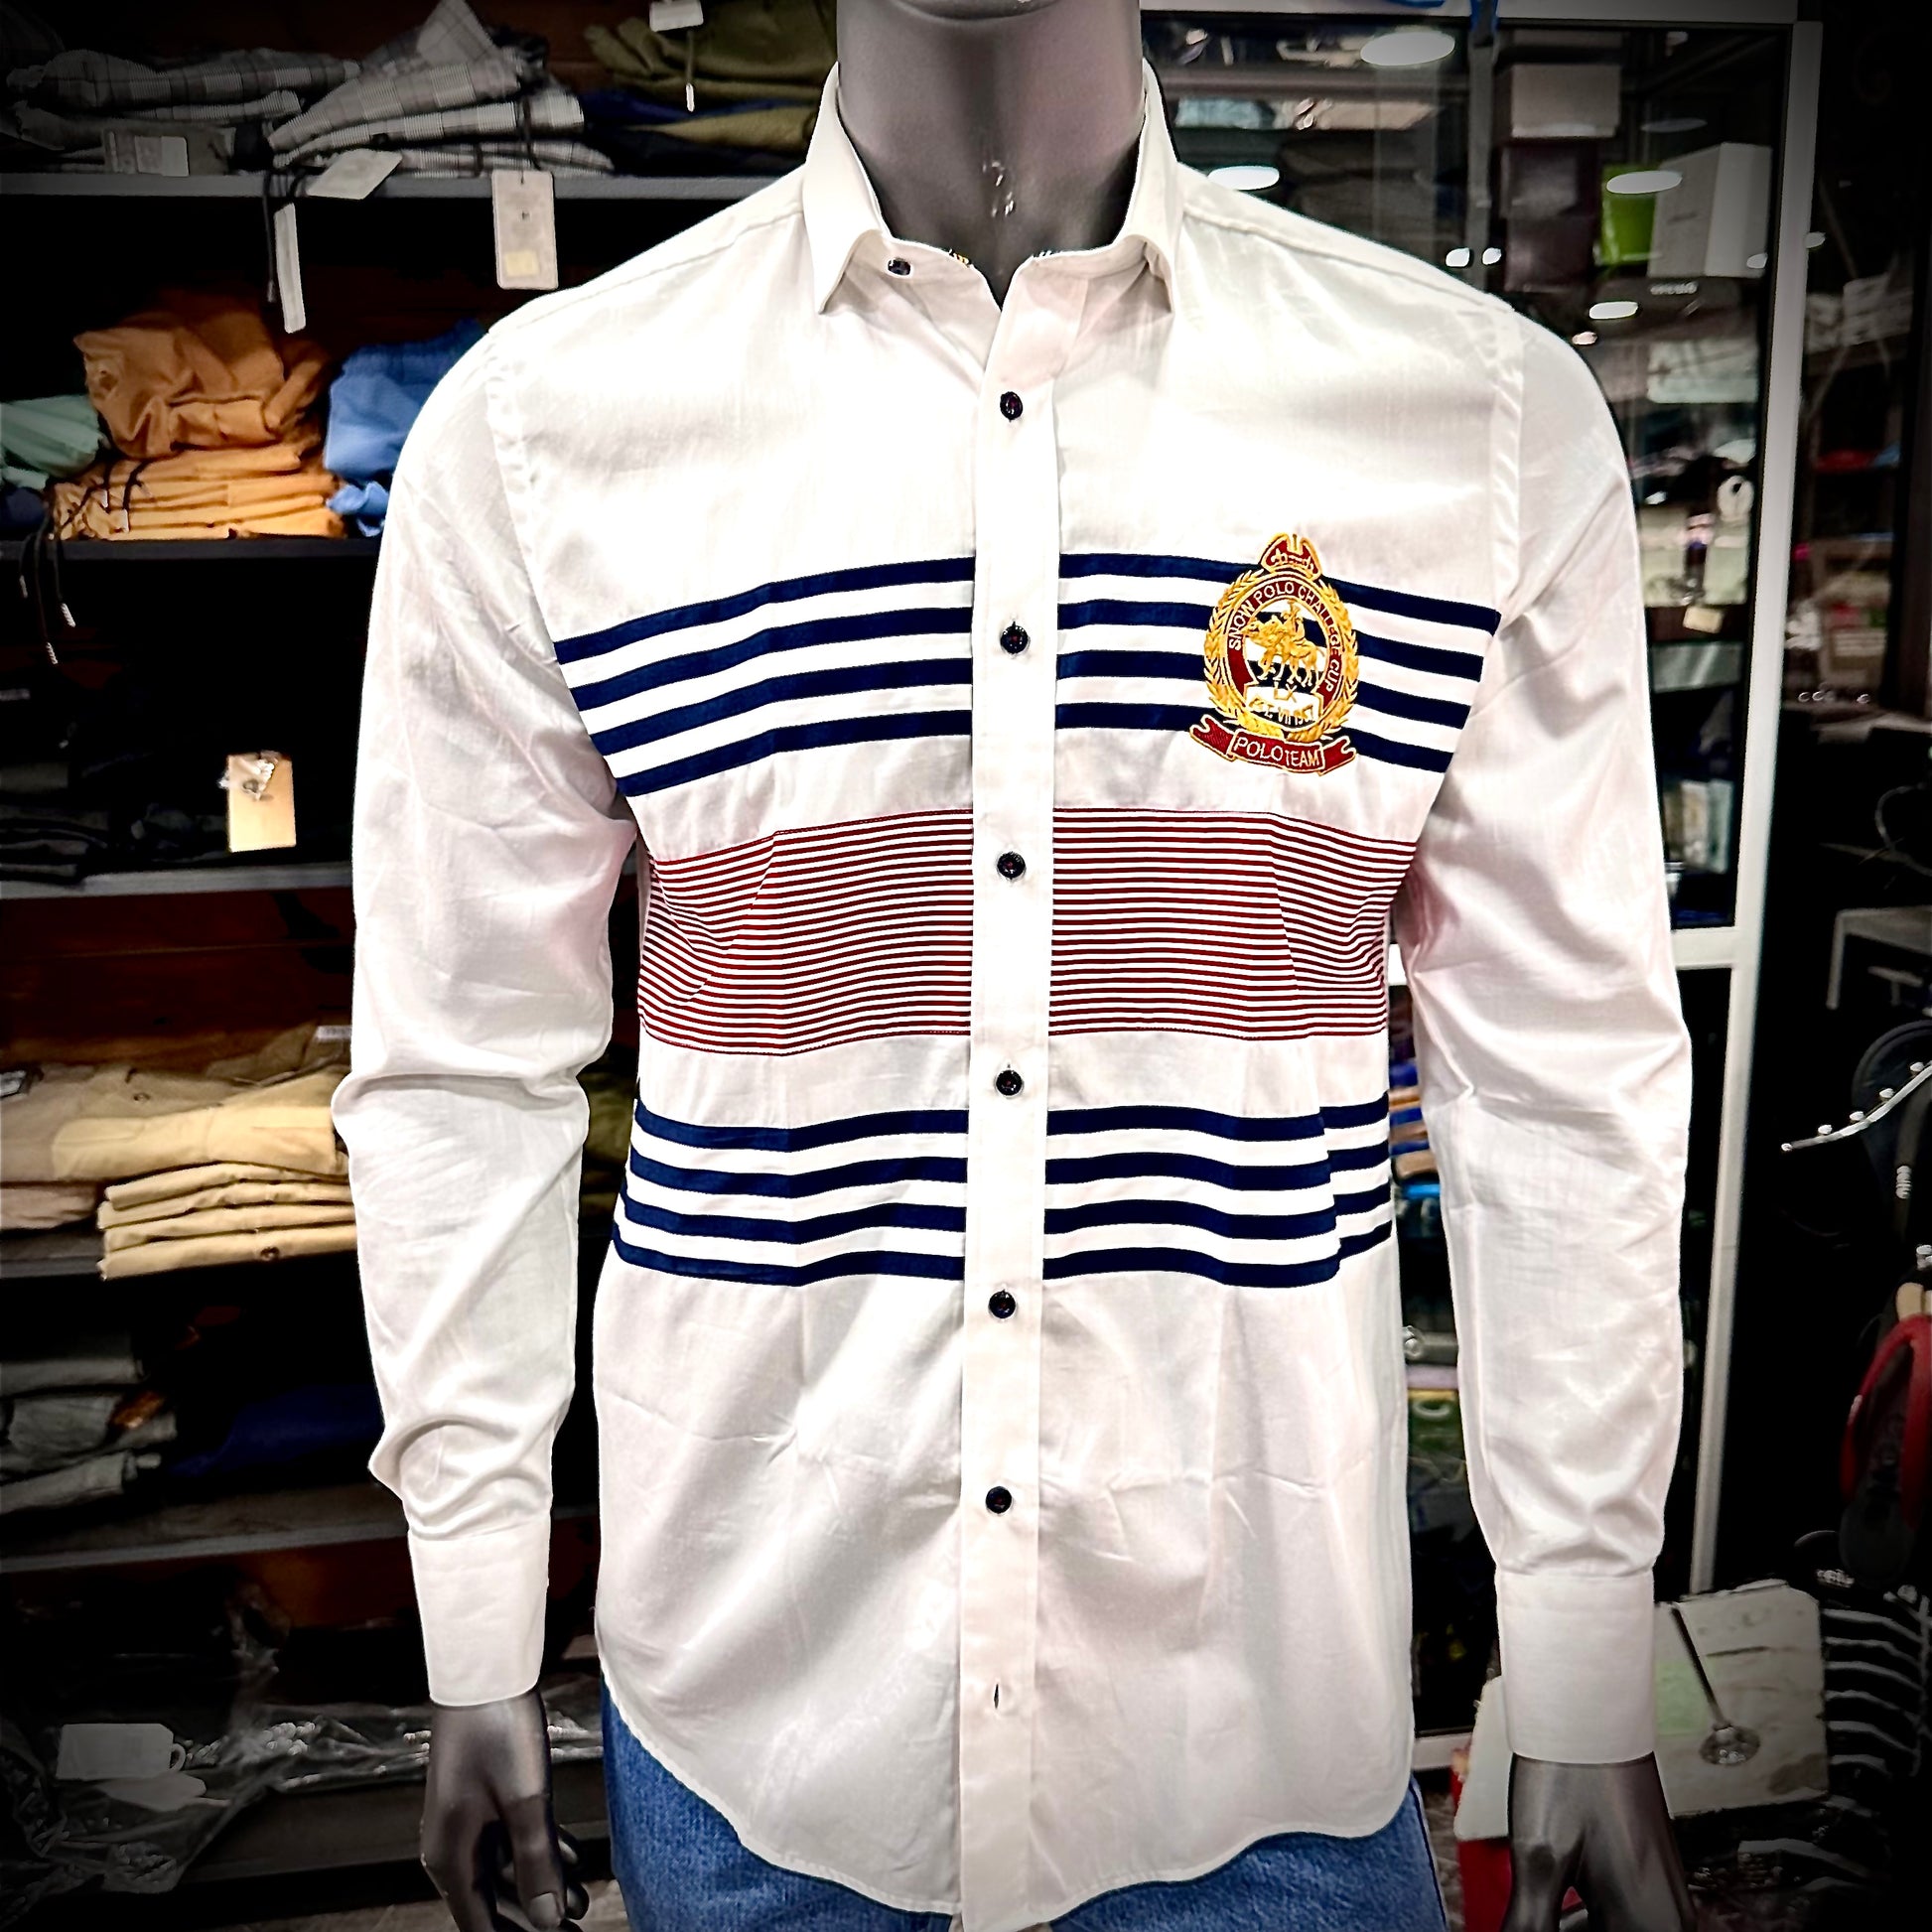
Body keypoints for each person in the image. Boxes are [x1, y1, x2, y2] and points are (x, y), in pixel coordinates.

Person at [334, 3, 1698, 1928]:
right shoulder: (544, 429)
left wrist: (1577, 1643)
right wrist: (473, 1618)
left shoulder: (1472, 416)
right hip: (758, 1727)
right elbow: (462, 1064)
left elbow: (1560, 1073)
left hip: (1254, 1730)